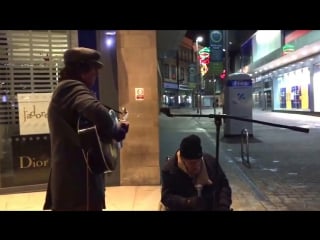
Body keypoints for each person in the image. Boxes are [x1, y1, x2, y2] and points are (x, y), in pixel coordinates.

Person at [43, 47, 129, 211]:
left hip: (75, 183)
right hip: (77, 184)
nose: (96, 75)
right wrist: (116, 130)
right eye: (94, 71)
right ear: (82, 70)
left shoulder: (66, 90)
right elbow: (98, 112)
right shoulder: (72, 88)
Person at [160, 134, 232, 211]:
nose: (196, 166)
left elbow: (223, 186)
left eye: (198, 161)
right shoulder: (170, 170)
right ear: (183, 160)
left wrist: (223, 205)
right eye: (192, 163)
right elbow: (166, 197)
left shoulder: (210, 163)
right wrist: (187, 202)